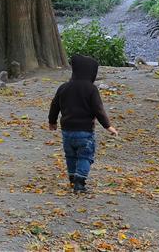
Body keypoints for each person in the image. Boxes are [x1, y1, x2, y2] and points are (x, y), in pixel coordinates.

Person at [48, 55, 118, 193]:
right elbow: (98, 110)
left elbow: (54, 105)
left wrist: (52, 121)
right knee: (85, 156)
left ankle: (72, 177)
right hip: (85, 131)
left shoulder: (64, 87)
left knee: (71, 155)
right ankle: (80, 182)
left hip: (67, 131)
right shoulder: (91, 89)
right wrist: (108, 126)